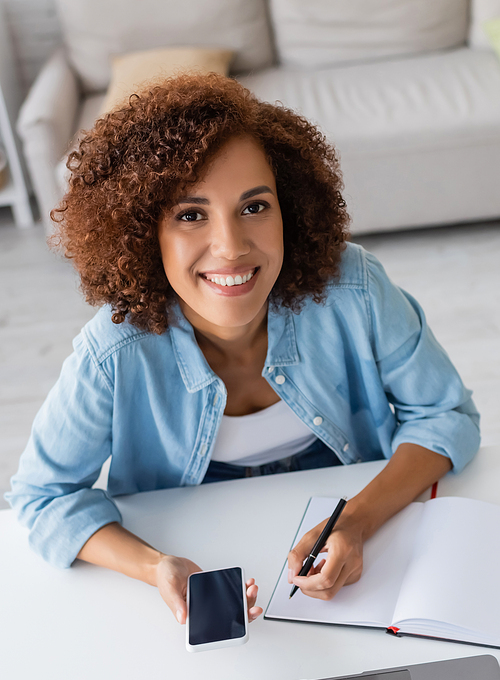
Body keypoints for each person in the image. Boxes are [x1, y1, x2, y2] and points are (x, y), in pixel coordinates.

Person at [6, 73, 480, 626]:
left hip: (359, 538)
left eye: (255, 206)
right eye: (190, 215)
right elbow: (42, 498)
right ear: (142, 232)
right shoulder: (114, 353)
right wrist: (155, 566)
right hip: (195, 538)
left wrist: (354, 522)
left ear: (290, 209)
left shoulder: (354, 289)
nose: (231, 247)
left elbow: (445, 415)